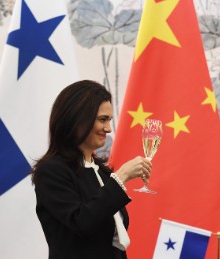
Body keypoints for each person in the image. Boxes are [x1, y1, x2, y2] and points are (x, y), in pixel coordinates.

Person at [31, 80, 151, 259]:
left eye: (109, 120)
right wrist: (122, 176)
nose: (109, 128)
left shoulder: (102, 172)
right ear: (77, 117)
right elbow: (82, 223)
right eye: (102, 119)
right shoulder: (51, 171)